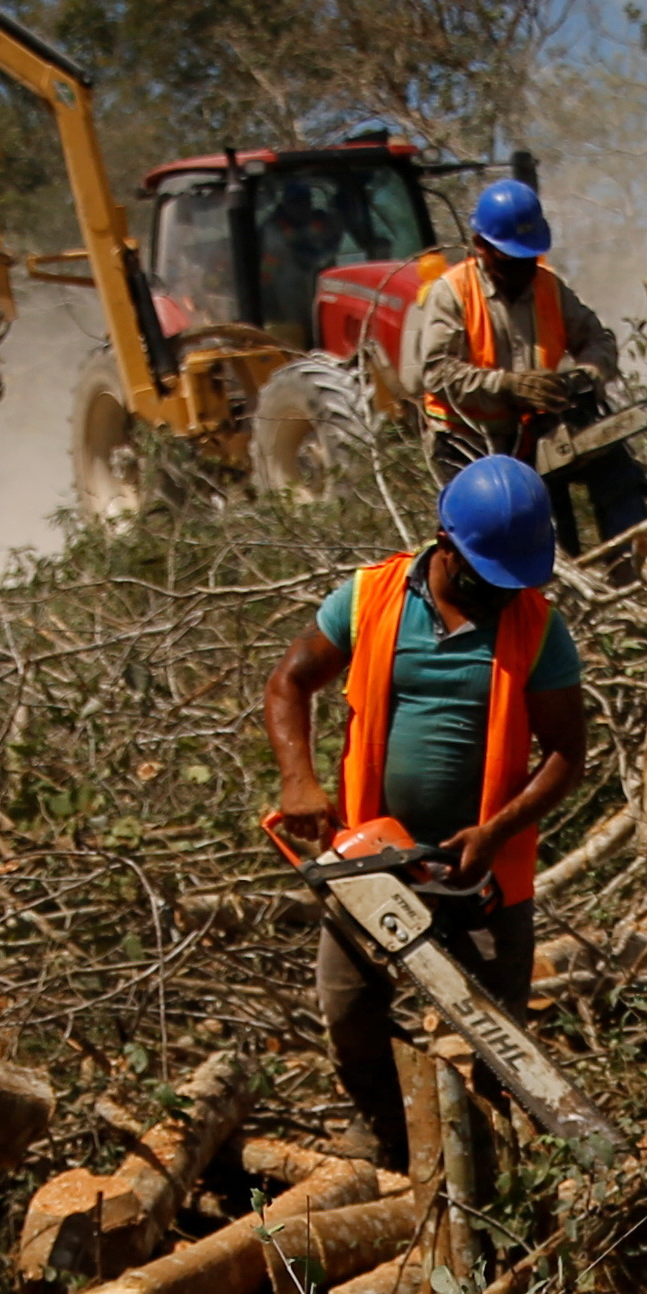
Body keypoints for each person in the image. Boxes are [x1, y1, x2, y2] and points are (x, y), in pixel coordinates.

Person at [260, 453, 593, 1168]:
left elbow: (568, 751)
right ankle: (391, 1135)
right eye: (489, 579)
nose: (501, 595)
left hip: (484, 870)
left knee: (501, 1037)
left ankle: (500, 1161)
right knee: (349, 1009)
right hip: (372, 856)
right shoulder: (368, 599)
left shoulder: (538, 628)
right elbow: (289, 681)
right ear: (447, 544)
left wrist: (497, 830)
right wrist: (298, 781)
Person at [395, 175, 647, 550]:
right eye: (508, 258)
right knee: (497, 538)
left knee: (616, 468)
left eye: (526, 257)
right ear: (481, 246)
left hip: (535, 434)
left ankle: (634, 563)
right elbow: (436, 372)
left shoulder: (549, 287)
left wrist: (583, 378)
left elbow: (599, 341)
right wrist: (510, 386)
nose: (519, 267)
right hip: (467, 439)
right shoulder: (453, 292)